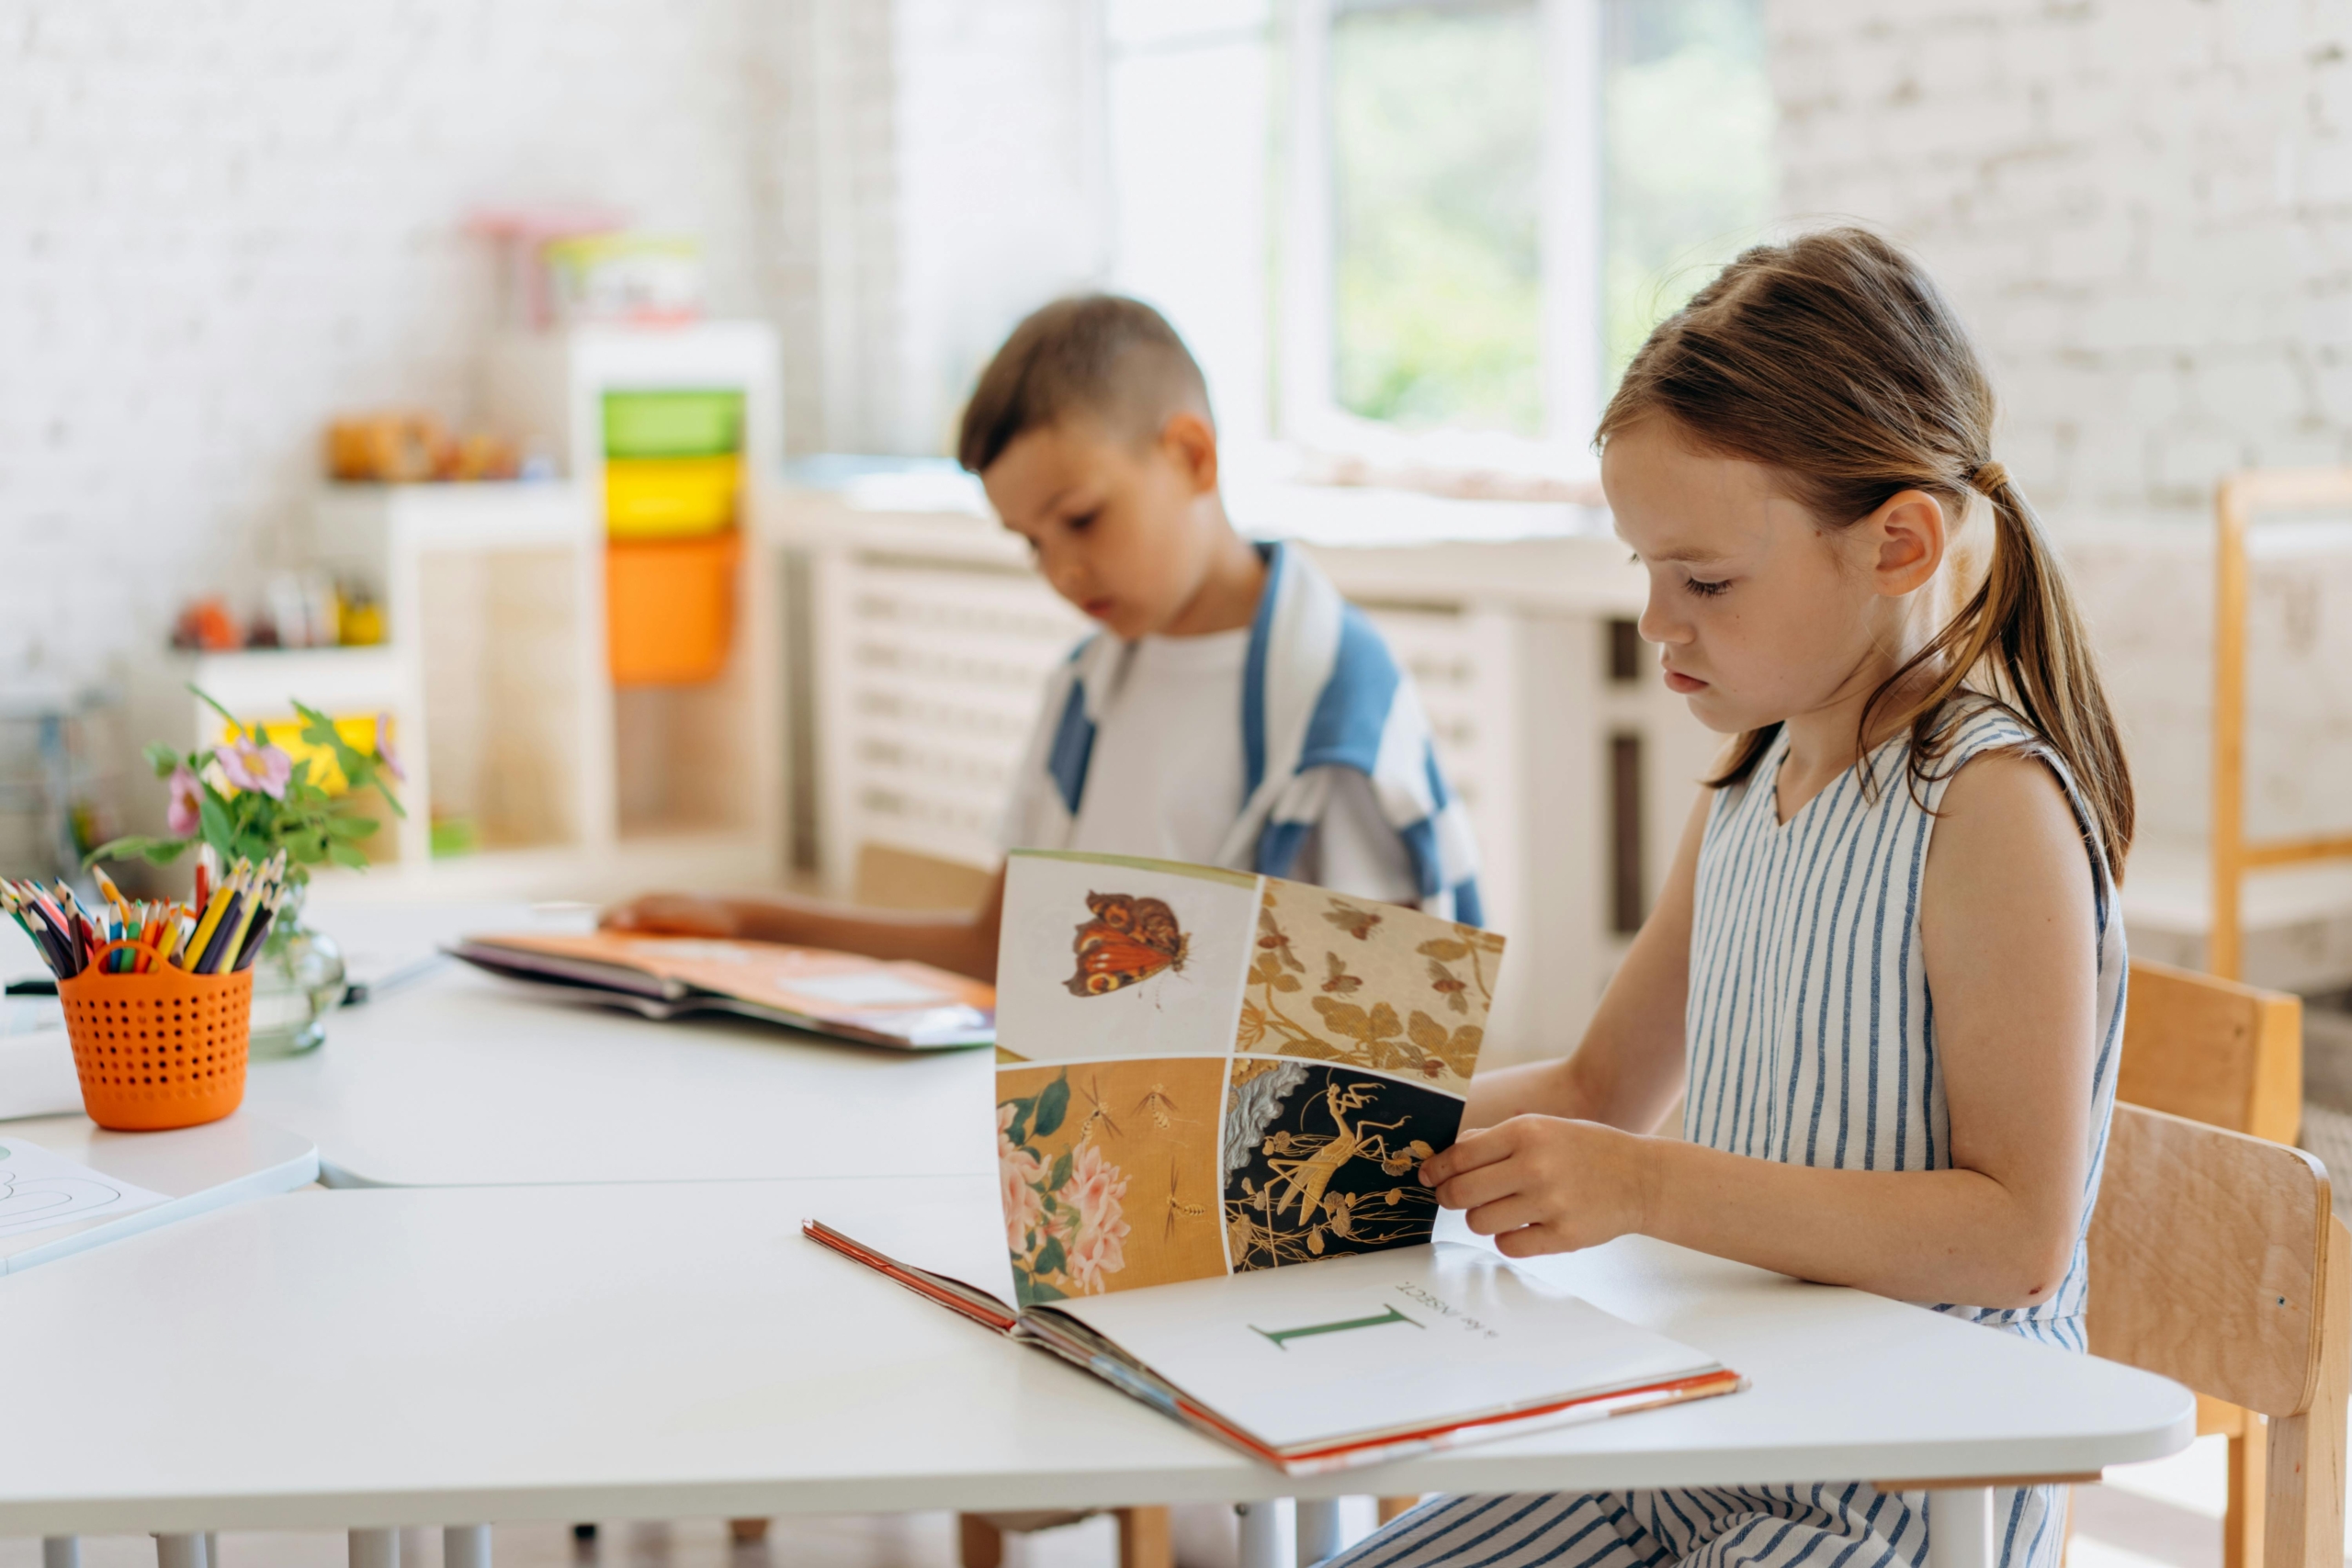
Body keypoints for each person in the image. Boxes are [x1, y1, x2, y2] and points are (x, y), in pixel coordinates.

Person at [1348, 229, 2133, 1568]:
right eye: (1644, 568)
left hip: (1903, 1484)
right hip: (1701, 1428)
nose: (1660, 620)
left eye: (1705, 579)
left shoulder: (1988, 806)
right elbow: (1600, 1084)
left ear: (1897, 543)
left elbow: (2015, 1238)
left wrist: (1648, 1185)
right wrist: (1316, 1137)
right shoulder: (1747, 783)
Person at [605, 295, 1481, 974]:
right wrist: (750, 920)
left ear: (1191, 456)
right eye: (1031, 543)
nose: (1061, 571)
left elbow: (1380, 1031)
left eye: (1082, 519)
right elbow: (1004, 950)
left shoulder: (1337, 718)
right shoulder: (1086, 686)